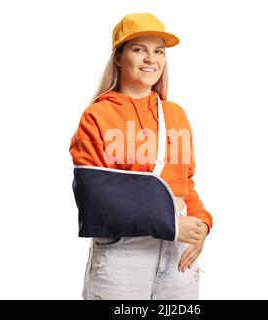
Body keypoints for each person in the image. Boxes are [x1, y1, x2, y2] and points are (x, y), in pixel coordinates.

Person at [69, 12, 213, 300]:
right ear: (119, 57)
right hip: (124, 256)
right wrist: (172, 225)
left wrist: (201, 226)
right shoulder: (97, 116)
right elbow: (96, 202)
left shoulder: (175, 115)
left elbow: (185, 185)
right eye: (139, 49)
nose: (151, 59)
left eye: (158, 51)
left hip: (178, 258)